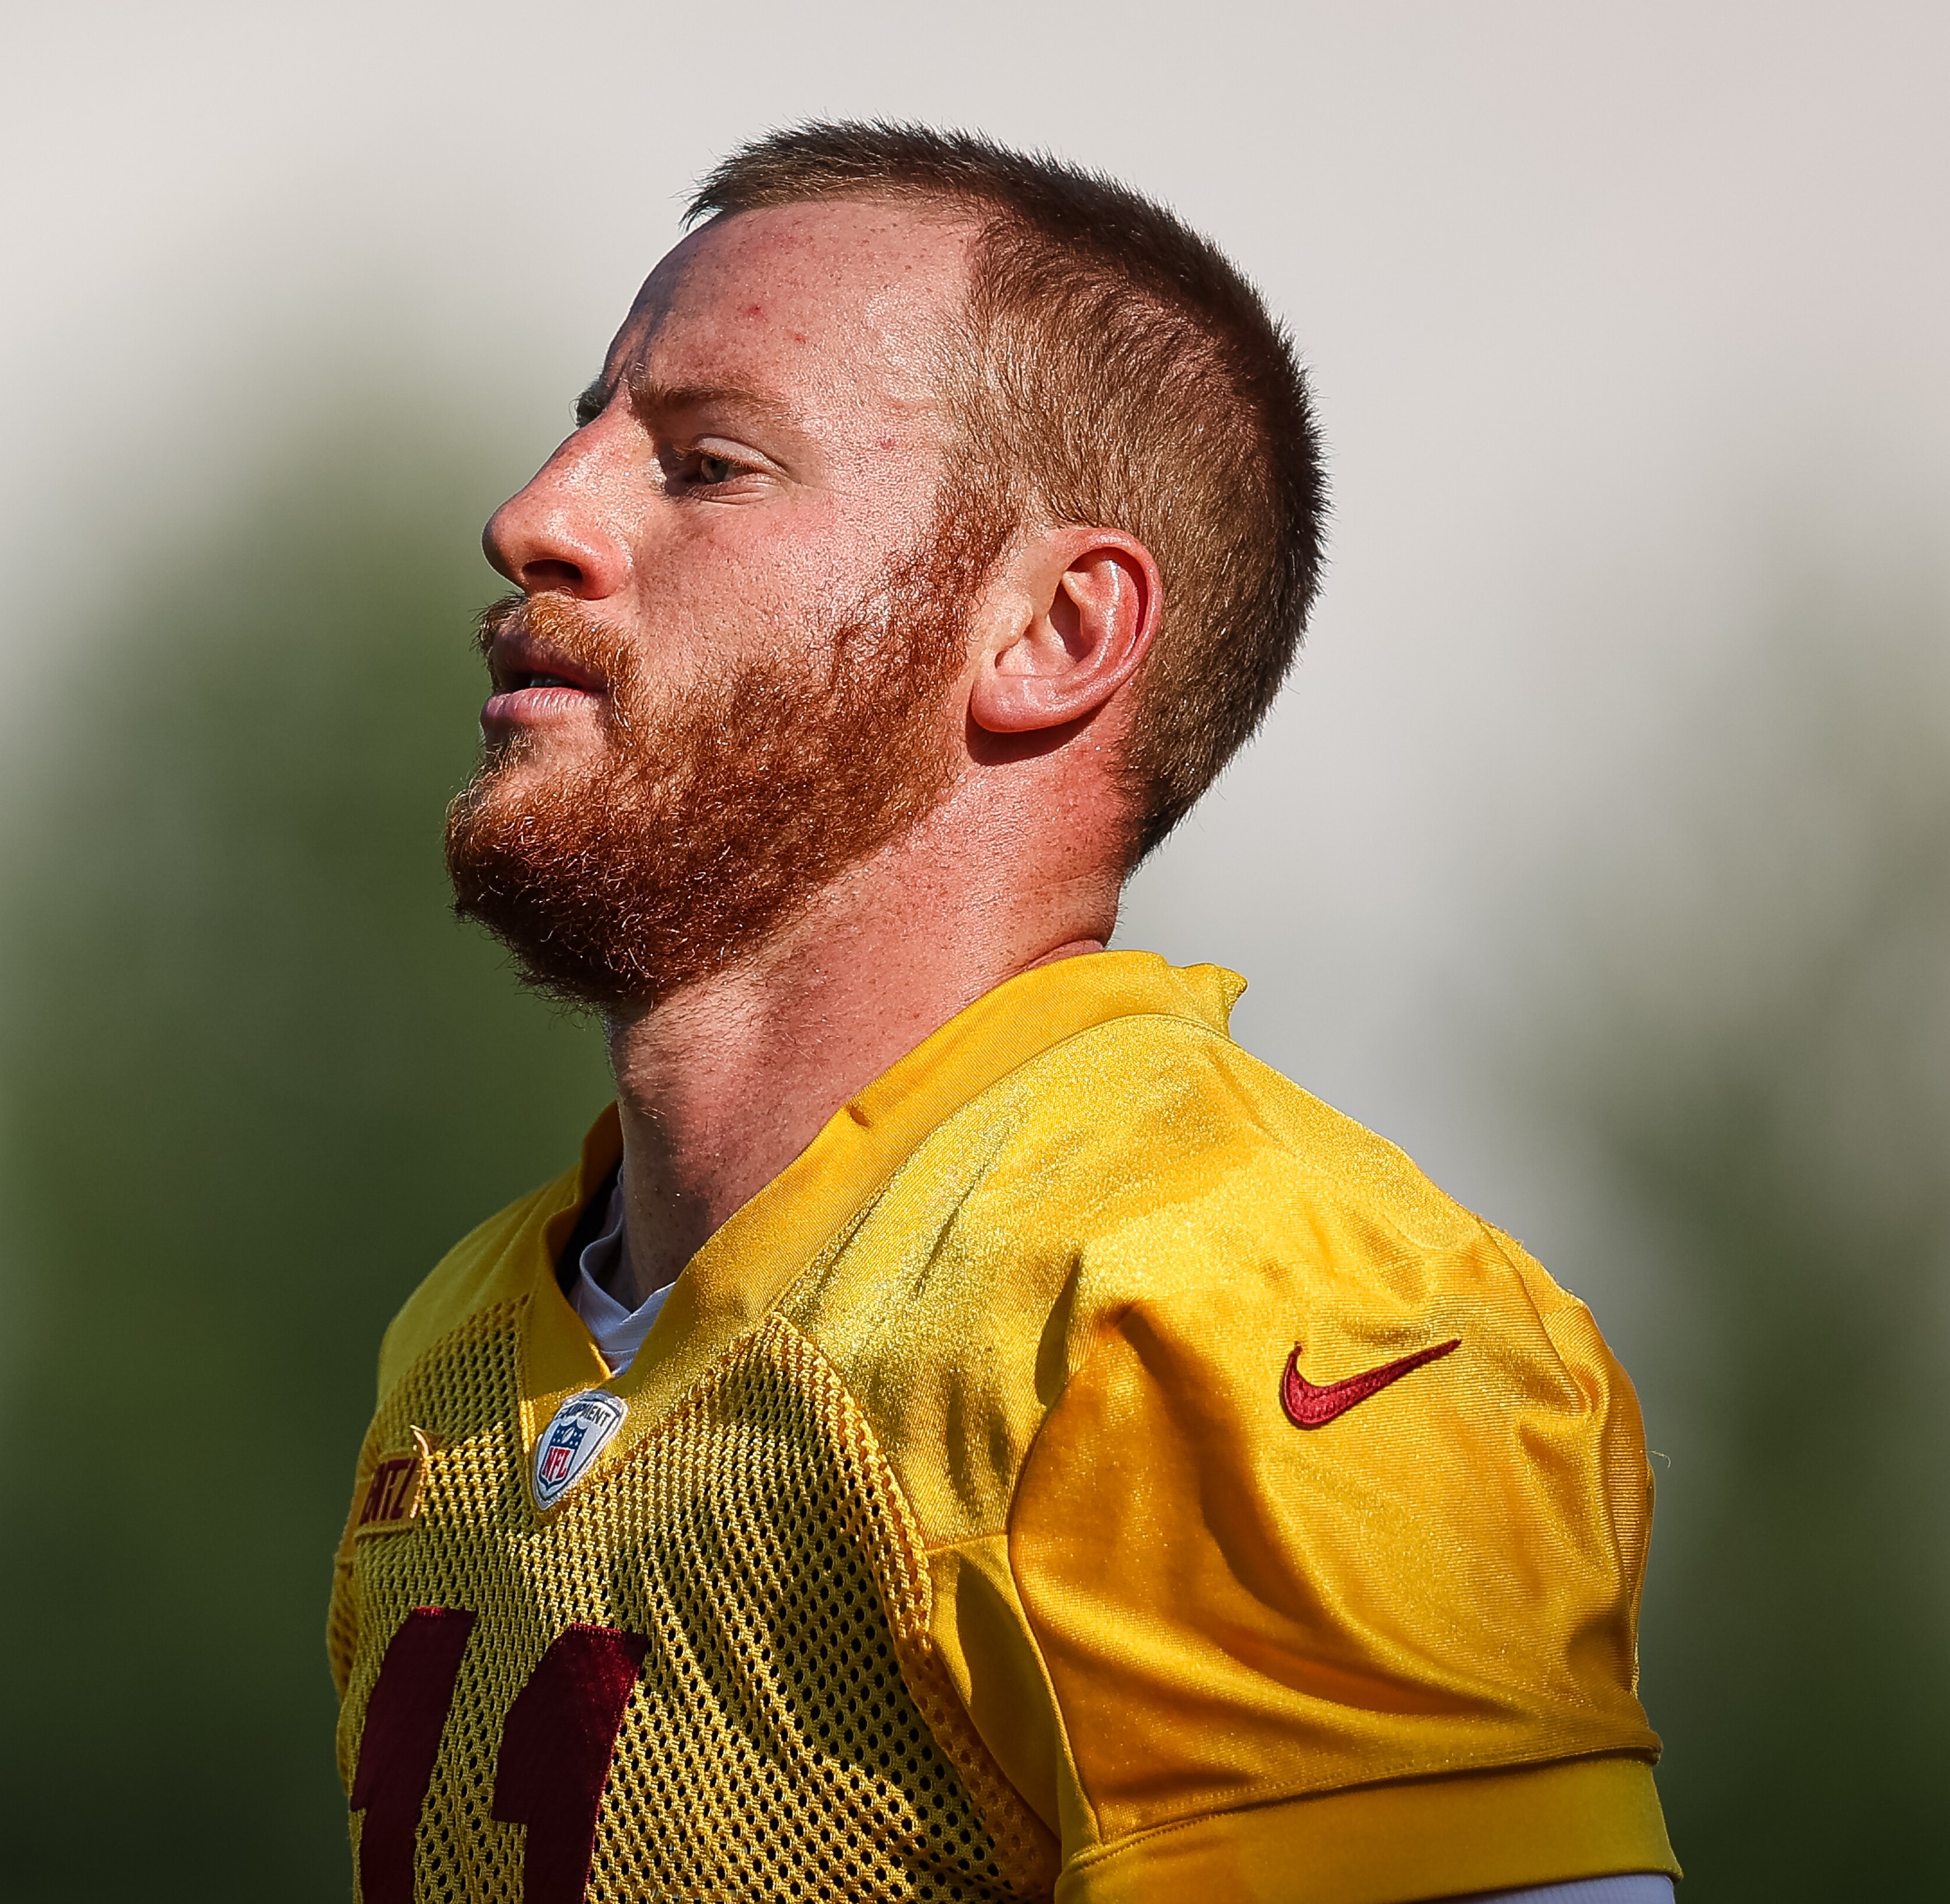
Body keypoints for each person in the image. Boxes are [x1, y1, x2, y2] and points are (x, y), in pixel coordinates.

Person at [329, 122, 1675, 1904]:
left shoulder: (1229, 1310)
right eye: (584, 427)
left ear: (1053, 630)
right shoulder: (461, 1342)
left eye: (708, 465)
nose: (535, 518)